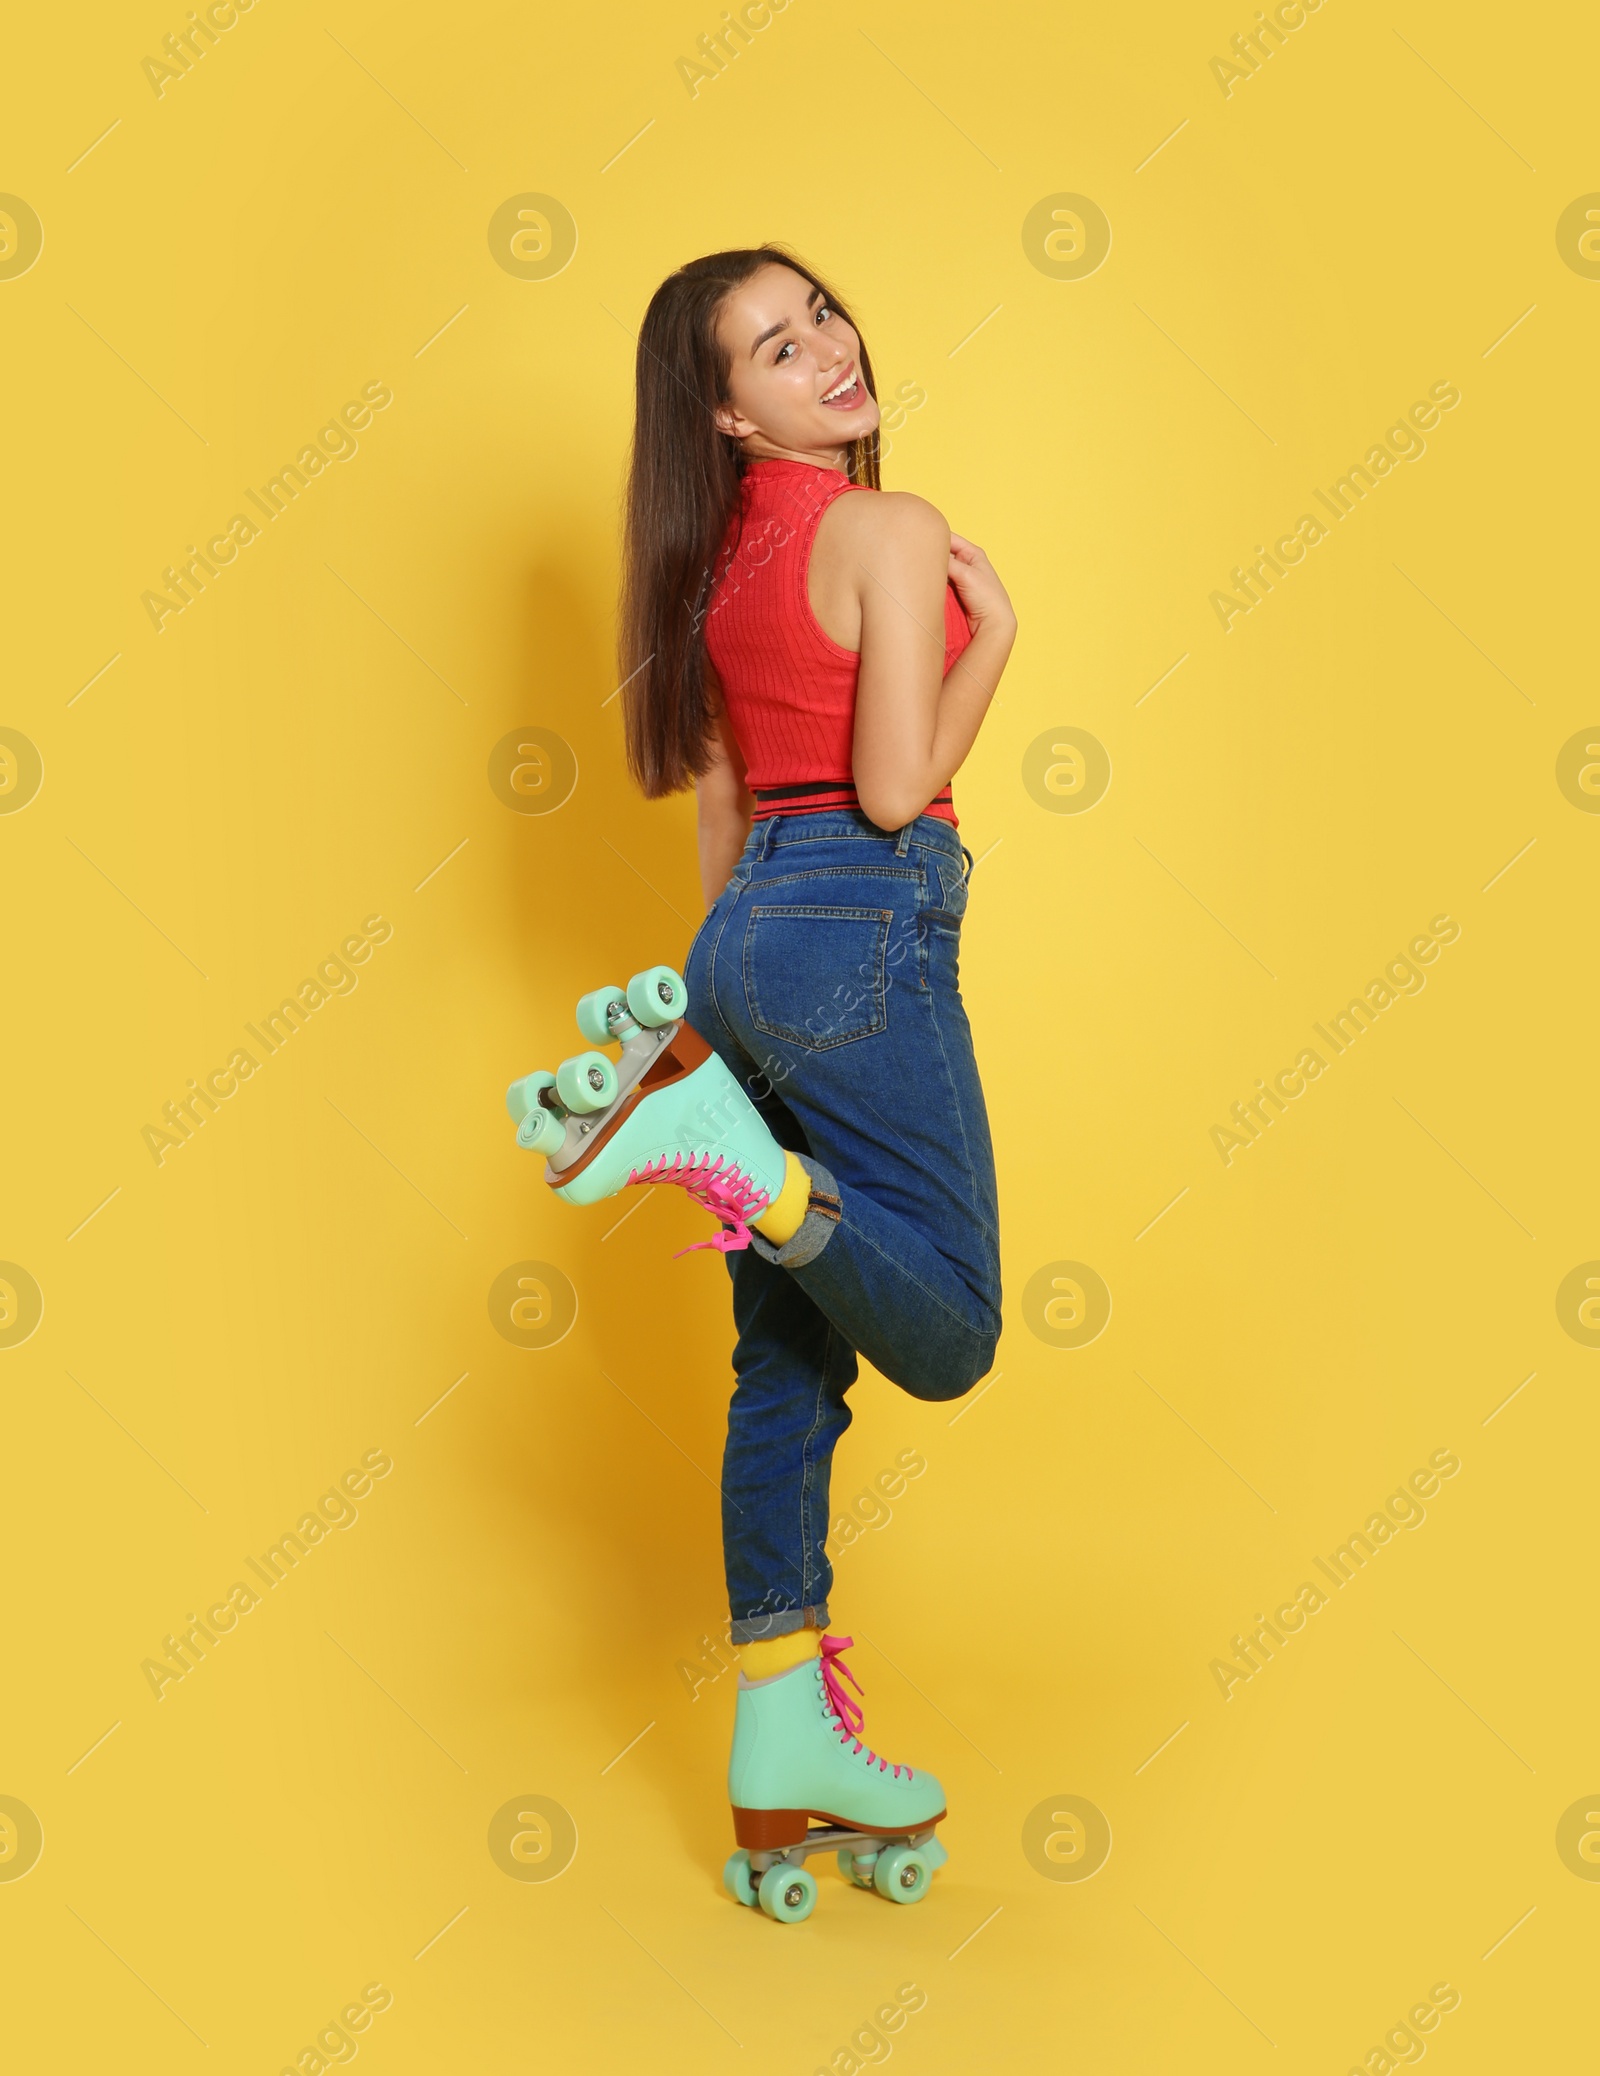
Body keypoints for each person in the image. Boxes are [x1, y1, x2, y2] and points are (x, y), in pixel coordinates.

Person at [511, 244, 1016, 1889]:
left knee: (786, 1378)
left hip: (747, 945)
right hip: (861, 927)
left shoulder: (714, 570)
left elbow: (728, 814)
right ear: (729, 411)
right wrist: (994, 635)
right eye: (777, 349)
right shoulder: (888, 526)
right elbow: (887, 793)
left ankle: (784, 1729)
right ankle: (749, 1165)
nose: (829, 354)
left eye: (825, 317)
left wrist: (710, 1023)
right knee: (947, 1328)